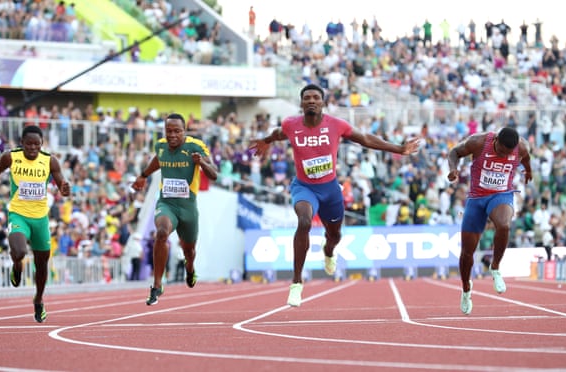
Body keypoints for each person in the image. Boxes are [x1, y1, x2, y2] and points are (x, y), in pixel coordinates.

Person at [249, 84, 420, 307]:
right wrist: (266, 141)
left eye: (316, 97)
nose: (311, 100)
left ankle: (329, 252)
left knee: (334, 236)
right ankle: (296, 283)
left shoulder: (336, 125)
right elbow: (279, 133)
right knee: (303, 221)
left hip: (330, 190)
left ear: (323, 102)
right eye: (307, 98)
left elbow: (365, 138)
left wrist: (398, 149)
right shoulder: (291, 124)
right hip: (304, 187)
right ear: (301, 104)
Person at [0, 125, 70, 323]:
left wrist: (64, 189)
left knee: (42, 264)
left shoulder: (49, 161)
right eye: (29, 144)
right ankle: (17, 265)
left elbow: (61, 184)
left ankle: (38, 300)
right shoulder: (10, 157)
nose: (32, 148)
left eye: (37, 144)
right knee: (20, 251)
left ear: (42, 144)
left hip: (40, 218)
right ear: (21, 143)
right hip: (18, 215)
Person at [131, 113, 218, 306]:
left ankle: (190, 268)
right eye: (168, 131)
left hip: (188, 208)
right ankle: (157, 284)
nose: (172, 135)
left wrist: (201, 162)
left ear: (184, 132)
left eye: (177, 131)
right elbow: (158, 159)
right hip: (167, 203)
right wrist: (143, 175)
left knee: (189, 250)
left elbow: (214, 175)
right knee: (161, 233)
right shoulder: (161, 146)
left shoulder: (196, 146)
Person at [447, 127, 532, 315]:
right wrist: (453, 169)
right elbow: (454, 152)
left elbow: (525, 159)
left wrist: (528, 171)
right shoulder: (478, 142)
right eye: (501, 151)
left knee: (504, 224)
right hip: (477, 198)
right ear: (496, 141)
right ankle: (466, 290)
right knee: (467, 253)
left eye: (508, 154)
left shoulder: (522, 147)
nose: (504, 156)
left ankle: (495, 267)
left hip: (502, 194)